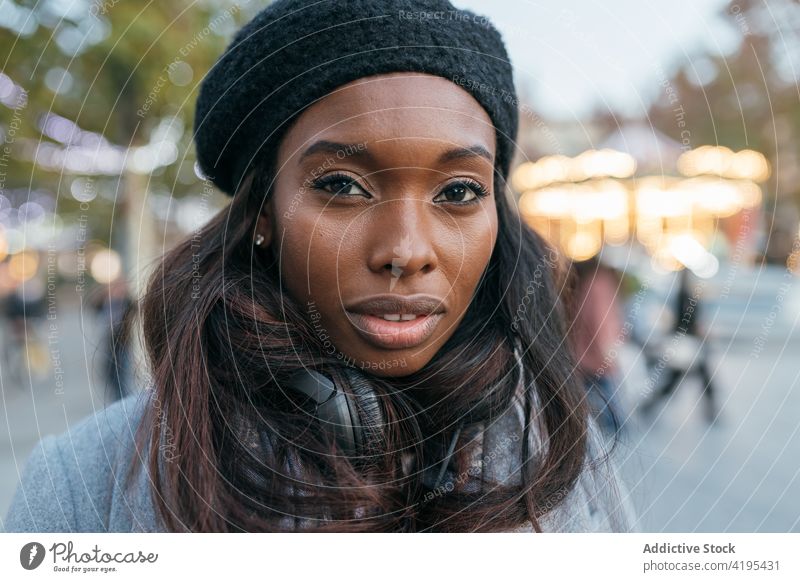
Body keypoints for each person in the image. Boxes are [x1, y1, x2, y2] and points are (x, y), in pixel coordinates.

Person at [3, 0, 636, 533]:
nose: (407, 251)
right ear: (263, 212)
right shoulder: (84, 487)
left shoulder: (562, 465)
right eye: (342, 184)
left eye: (459, 192)